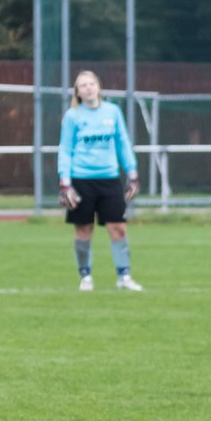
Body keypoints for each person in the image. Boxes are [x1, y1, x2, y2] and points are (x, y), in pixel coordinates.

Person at [56, 70, 143, 291]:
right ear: (78, 92)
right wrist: (65, 181)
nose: (88, 88)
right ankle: (85, 276)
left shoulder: (112, 112)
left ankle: (124, 276)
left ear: (98, 87)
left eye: (91, 83)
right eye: (83, 85)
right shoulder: (73, 116)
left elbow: (123, 142)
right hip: (81, 180)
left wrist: (132, 173)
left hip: (109, 179)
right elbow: (65, 149)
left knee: (118, 228)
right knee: (83, 229)